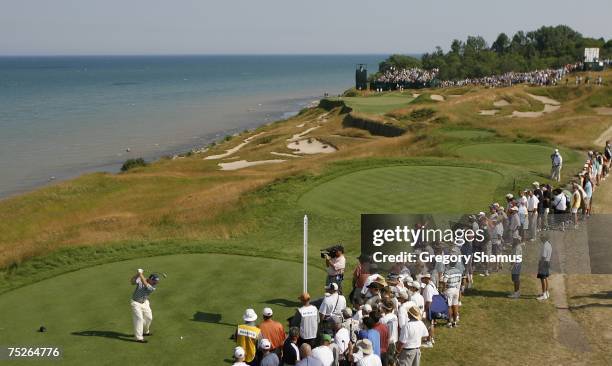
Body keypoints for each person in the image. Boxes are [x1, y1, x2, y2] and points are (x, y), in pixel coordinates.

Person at [130, 269, 160, 343]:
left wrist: (140, 274)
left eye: (156, 282)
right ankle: (139, 338)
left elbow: (146, 284)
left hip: (145, 302)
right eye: (154, 281)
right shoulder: (141, 279)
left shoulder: (153, 287)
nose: (155, 283)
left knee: (149, 317)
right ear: (150, 279)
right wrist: (138, 274)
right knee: (139, 319)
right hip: (135, 303)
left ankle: (145, 331)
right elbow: (132, 281)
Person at [442, 261, 462, 327]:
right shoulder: (459, 271)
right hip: (456, 289)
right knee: (455, 305)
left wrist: (443, 290)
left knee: (449, 306)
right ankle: (455, 322)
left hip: (449, 290)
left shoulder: (447, 272)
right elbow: (459, 281)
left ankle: (449, 322)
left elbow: (444, 282)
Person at [420, 274, 437, 347]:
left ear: (427, 279)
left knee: (429, 324)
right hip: (433, 307)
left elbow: (429, 301)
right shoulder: (432, 284)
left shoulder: (428, 288)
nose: (422, 279)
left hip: (429, 308)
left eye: (423, 278)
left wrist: (425, 310)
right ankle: (431, 338)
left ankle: (429, 341)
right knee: (431, 324)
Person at [537, 233, 553, 301]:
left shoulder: (545, 246)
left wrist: (540, 264)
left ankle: (544, 295)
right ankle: (546, 292)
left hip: (544, 263)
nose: (540, 238)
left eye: (541, 237)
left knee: (542, 279)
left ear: (544, 238)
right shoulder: (549, 244)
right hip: (547, 262)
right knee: (546, 278)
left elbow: (543, 256)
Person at [508, 235, 523, 299]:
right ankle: (517, 292)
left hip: (516, 265)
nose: (513, 240)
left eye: (515, 239)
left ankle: (516, 293)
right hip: (517, 265)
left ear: (518, 240)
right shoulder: (516, 246)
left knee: (515, 279)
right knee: (515, 279)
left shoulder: (517, 247)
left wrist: (511, 265)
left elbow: (515, 258)